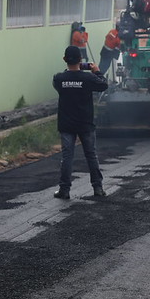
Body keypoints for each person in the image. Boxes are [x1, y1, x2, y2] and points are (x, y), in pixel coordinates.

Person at [52, 46, 108, 199]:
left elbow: (60, 84)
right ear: (81, 60)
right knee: (91, 155)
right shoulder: (88, 78)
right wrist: (96, 70)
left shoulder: (59, 78)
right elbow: (104, 85)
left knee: (67, 157)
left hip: (66, 124)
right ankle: (97, 188)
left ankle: (64, 190)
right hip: (85, 123)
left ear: (64, 59)